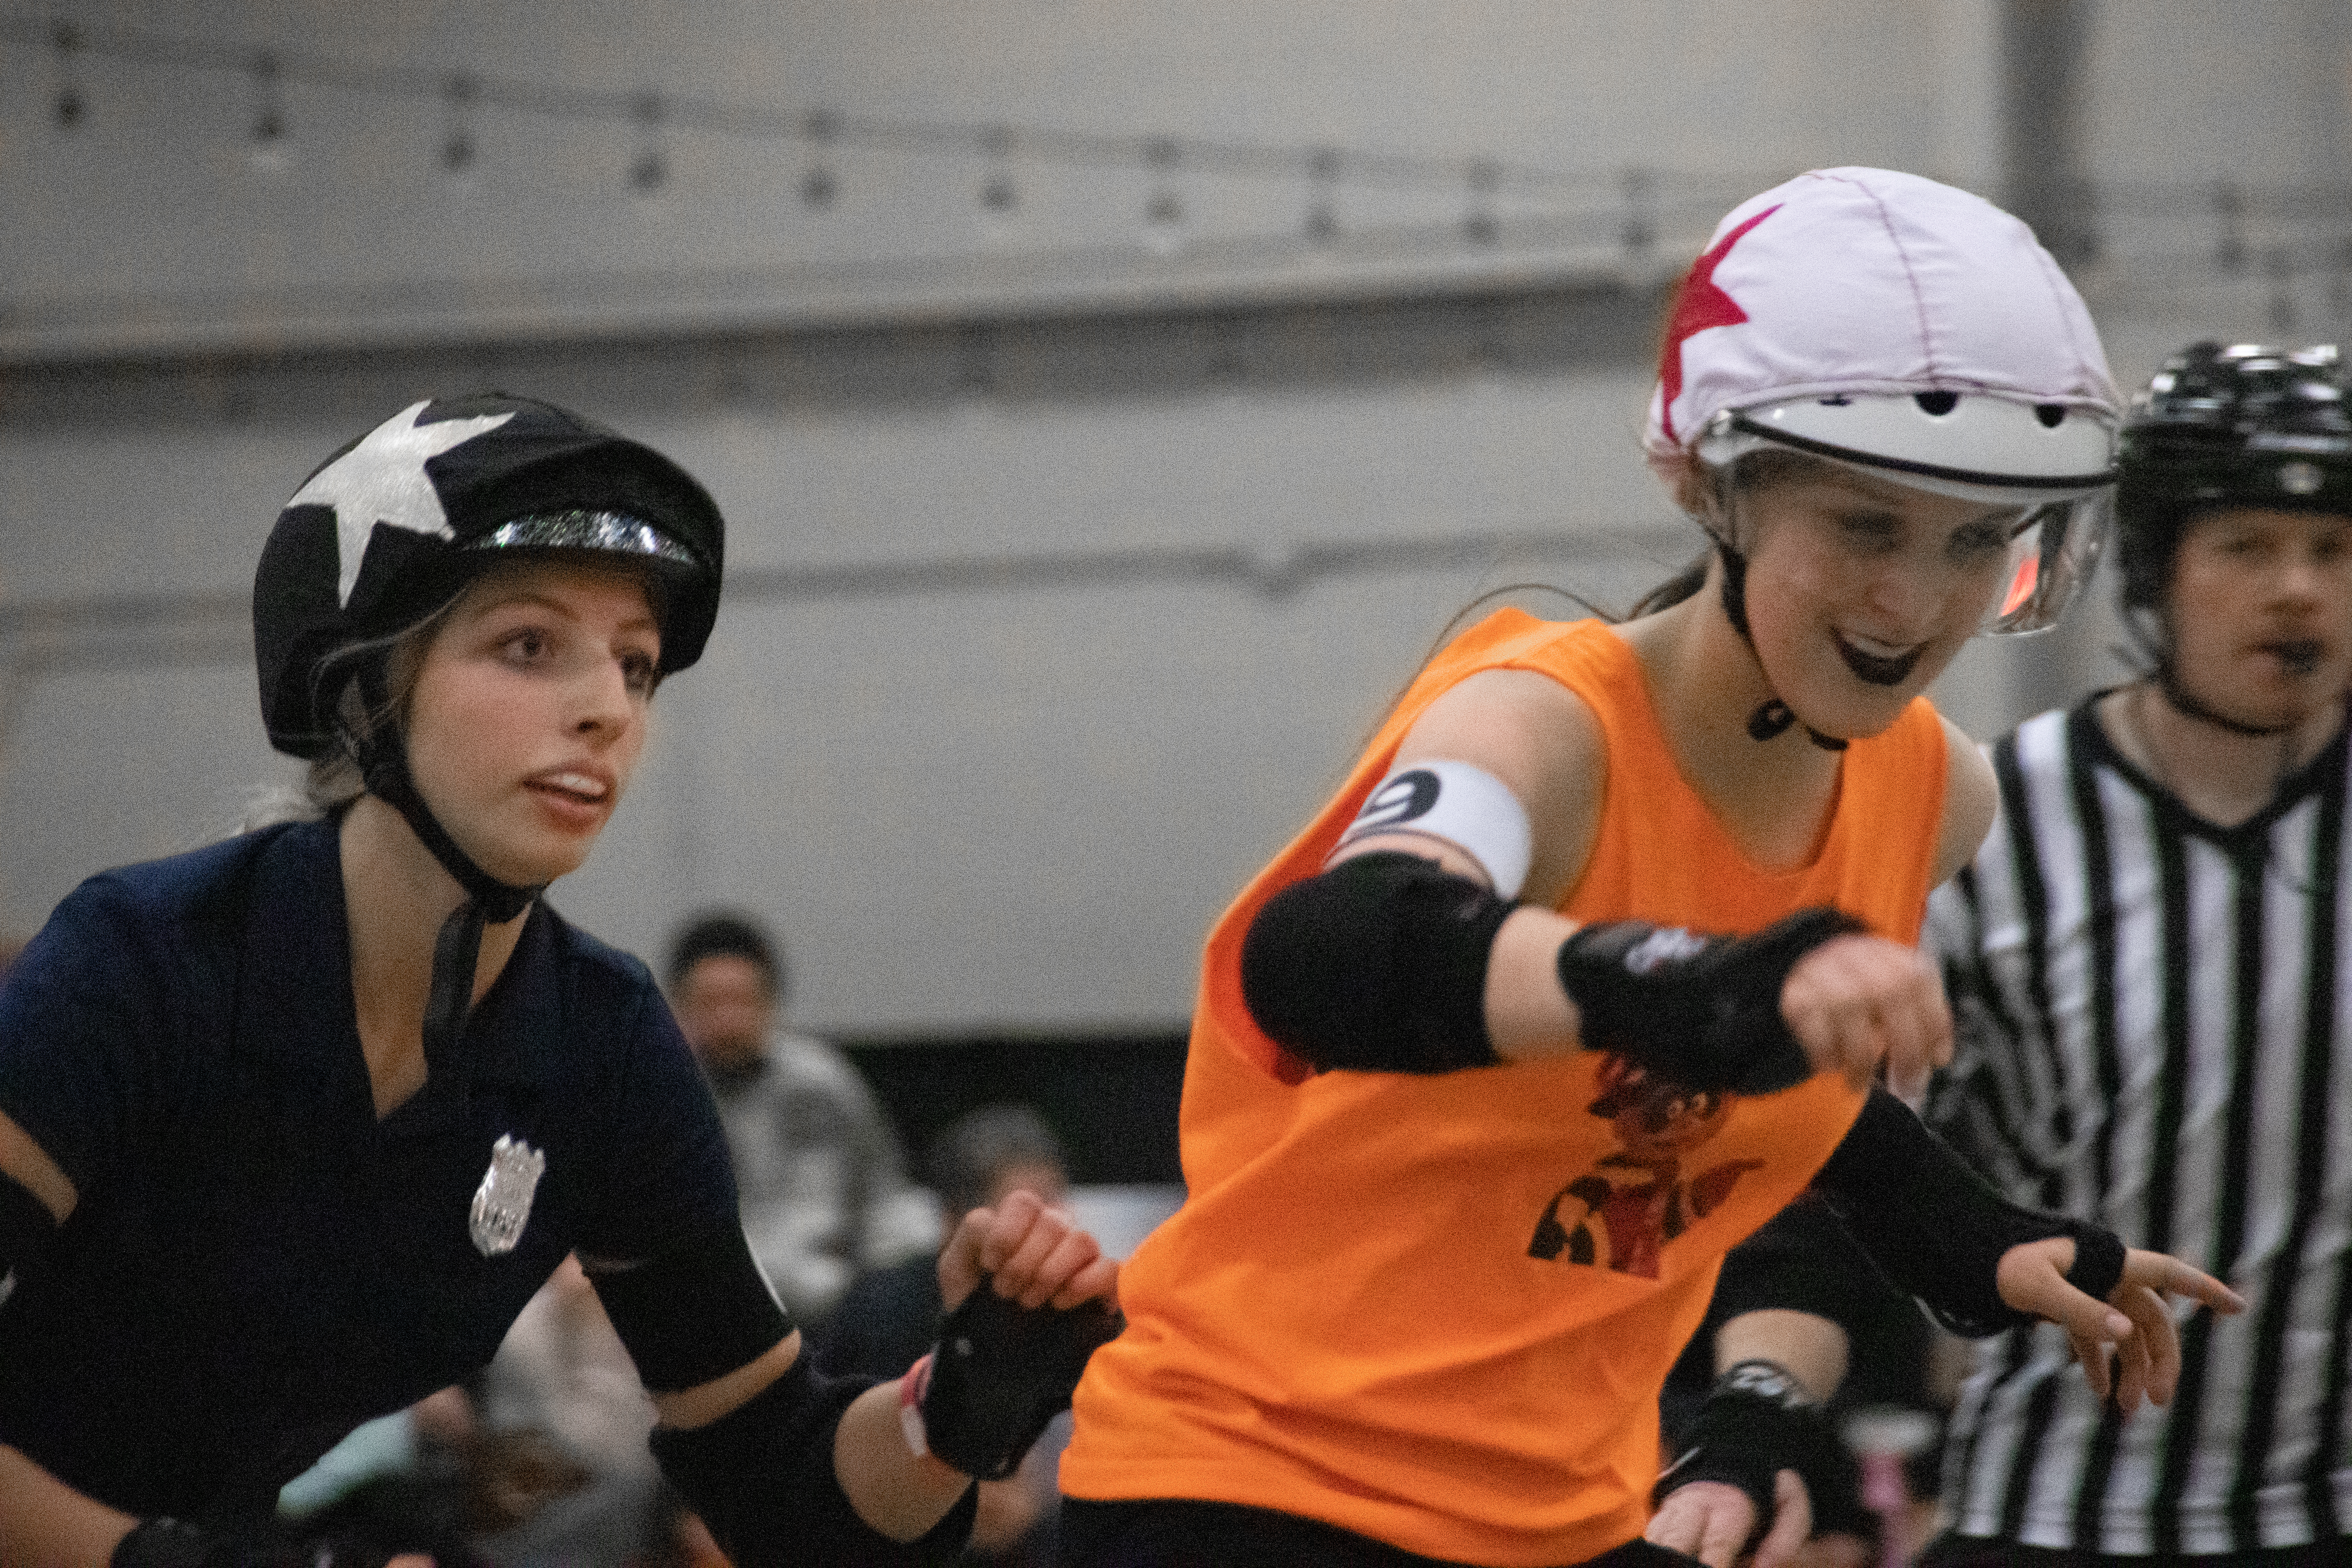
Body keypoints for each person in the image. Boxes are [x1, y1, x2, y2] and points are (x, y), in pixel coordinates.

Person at [1056, 167, 2245, 1568]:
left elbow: (1753, 1085)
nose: (1914, 601)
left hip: (1554, 1507)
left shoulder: (1935, 791)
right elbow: (1332, 949)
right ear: (1707, 486)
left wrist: (1968, 1235)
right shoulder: (1540, 724)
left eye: (1977, 540)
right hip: (1255, 1474)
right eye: (1864, 524)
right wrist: (1690, 977)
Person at [0, 394, 1120, 1568]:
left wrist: (954, 1410)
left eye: (634, 666)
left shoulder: (598, 1045)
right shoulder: (144, 964)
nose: (606, 709)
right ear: (361, 688)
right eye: (529, 645)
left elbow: (780, 1484)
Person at [1917, 341, 2352, 1566]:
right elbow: (1852, 1153)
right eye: (2247, 547)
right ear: (2157, 570)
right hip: (2045, 1510)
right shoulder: (1994, 818)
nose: (2297, 592)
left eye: (2330, 550)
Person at [819, 1105, 1078, 1564]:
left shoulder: (1071, 1309)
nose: (1053, 1230)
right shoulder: (886, 1313)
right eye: (1028, 1210)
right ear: (955, 1222)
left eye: (1057, 1203)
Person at [665, 911, 928, 1325]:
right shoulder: (656, 1092)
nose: (728, 1019)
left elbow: (882, 1194)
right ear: (678, 1007)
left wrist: (881, 1279)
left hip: (835, 1298)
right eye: (711, 1003)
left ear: (771, 1003)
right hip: (701, 1302)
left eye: (742, 1000)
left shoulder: (823, 1082)